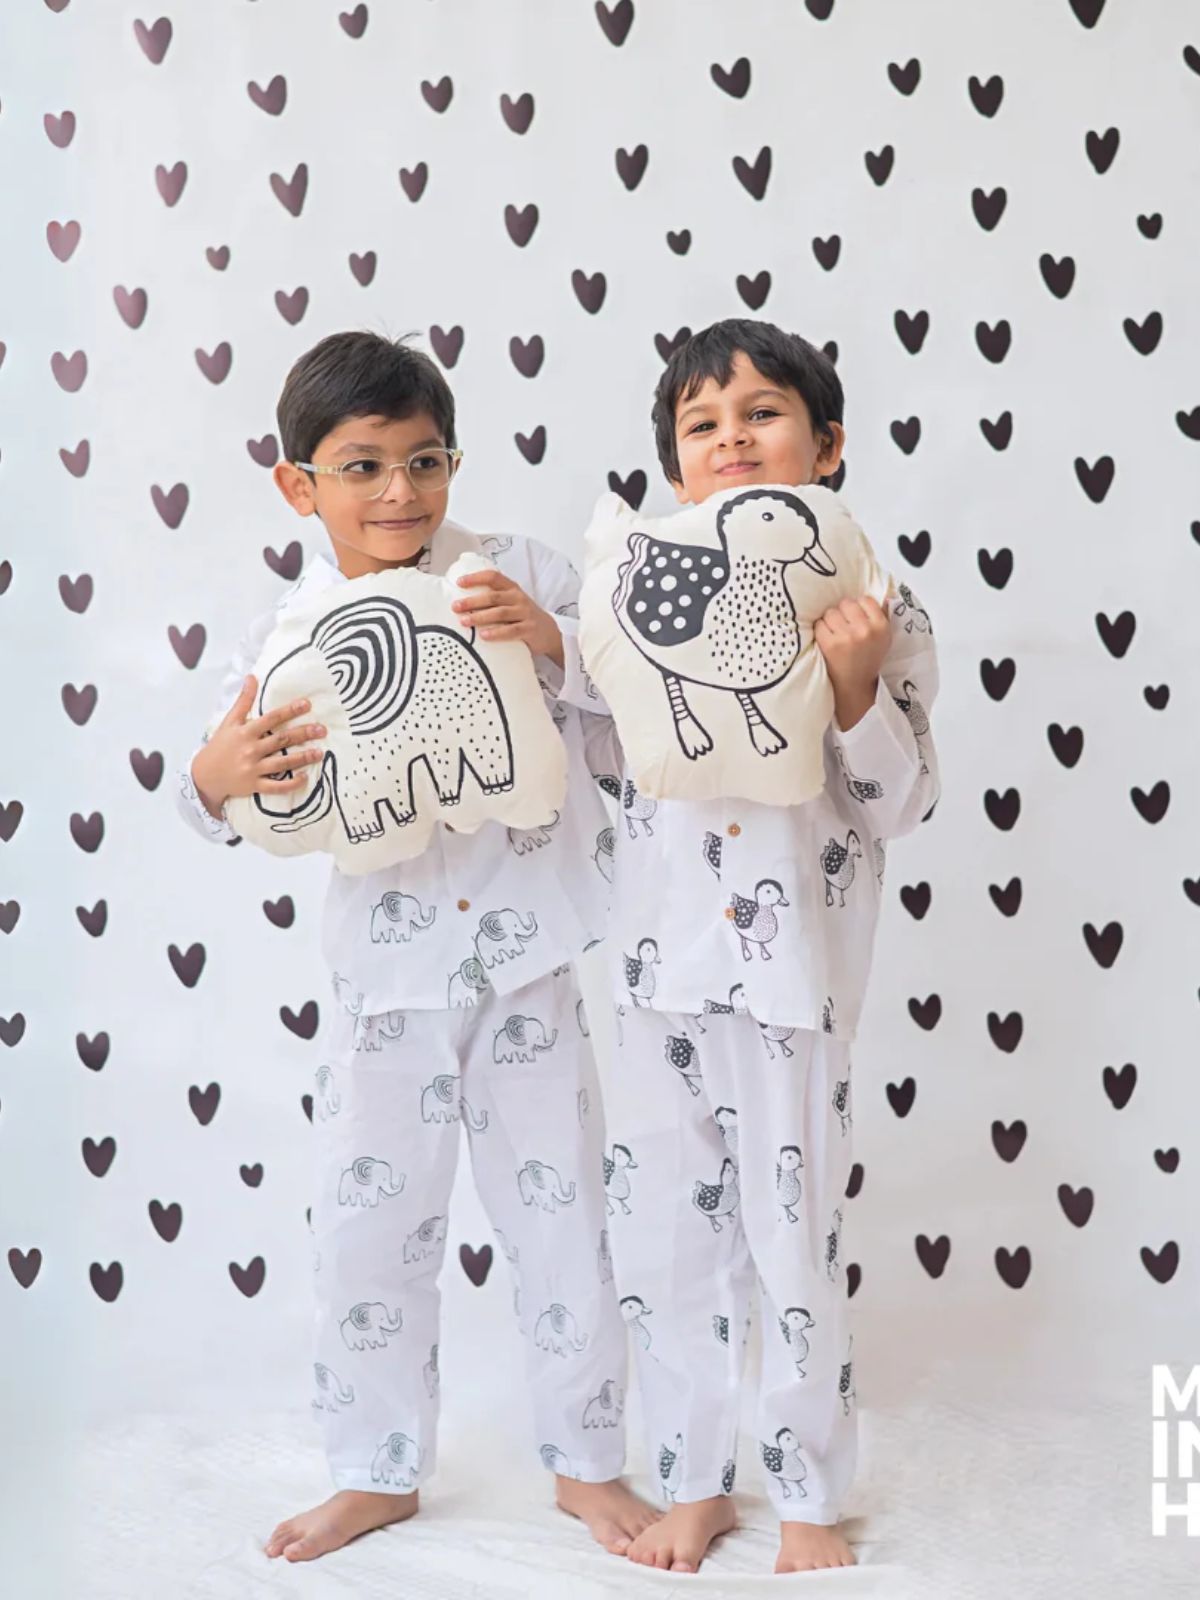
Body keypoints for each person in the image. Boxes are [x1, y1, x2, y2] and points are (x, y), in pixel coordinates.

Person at [174, 330, 656, 1563]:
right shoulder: (289, 633)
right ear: (299, 484)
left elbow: (636, 728)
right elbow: (225, 794)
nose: (400, 491)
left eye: (426, 460)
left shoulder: (518, 574)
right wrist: (212, 776)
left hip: (530, 964)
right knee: (366, 1236)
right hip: (383, 989)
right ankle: (374, 1467)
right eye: (363, 465)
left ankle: (589, 1462)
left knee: (564, 1224)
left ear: (453, 462)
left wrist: (551, 642)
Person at [593, 318, 940, 1574]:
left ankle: (806, 1493)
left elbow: (900, 803)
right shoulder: (635, 594)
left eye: (762, 414)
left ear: (826, 445)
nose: (731, 437)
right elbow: (603, 741)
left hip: (793, 982)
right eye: (703, 424)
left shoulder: (873, 599)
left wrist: (855, 689)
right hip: (656, 976)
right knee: (667, 1247)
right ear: (675, 467)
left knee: (794, 1247)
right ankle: (694, 1481)